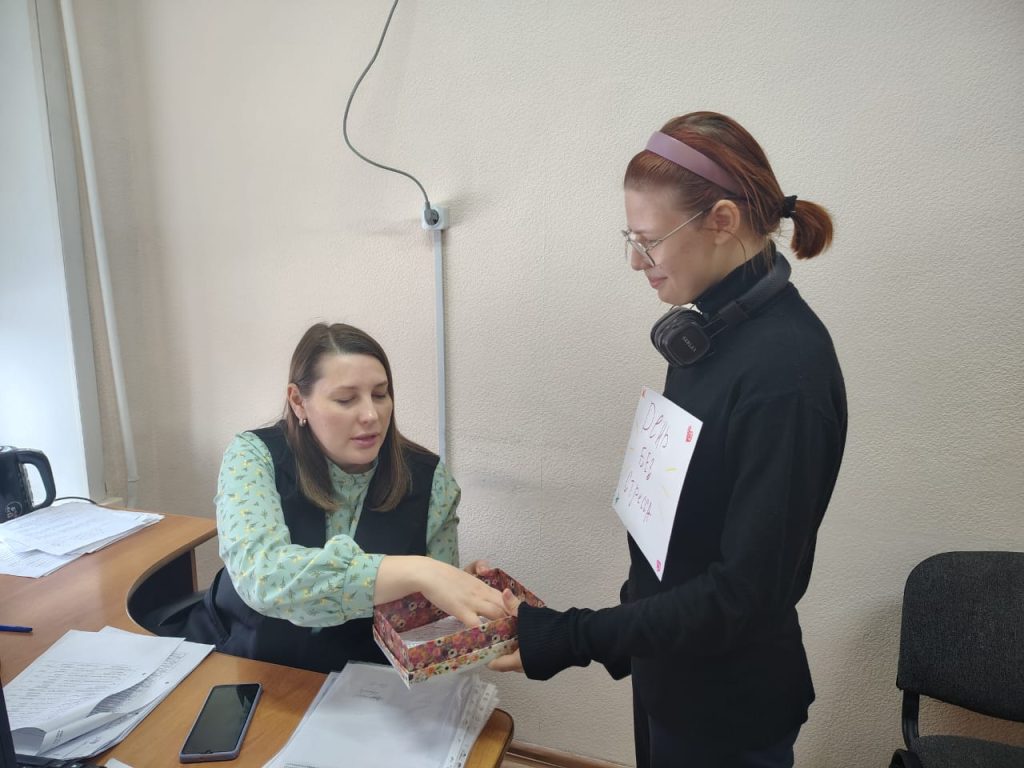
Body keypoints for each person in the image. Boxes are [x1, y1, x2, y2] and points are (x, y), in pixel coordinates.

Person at [489, 112, 848, 768]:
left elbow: (741, 596)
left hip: (727, 712)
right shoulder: (707, 335)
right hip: (670, 674)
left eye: (648, 240)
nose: (635, 260)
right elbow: (675, 538)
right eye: (629, 238)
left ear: (722, 221)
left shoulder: (785, 376)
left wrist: (571, 636)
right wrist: (609, 632)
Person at [182, 322, 504, 673]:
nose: (371, 415)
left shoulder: (430, 479)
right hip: (243, 659)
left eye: (380, 395)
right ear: (298, 401)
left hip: (355, 681)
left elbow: (425, 625)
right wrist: (418, 570)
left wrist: (459, 597)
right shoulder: (252, 456)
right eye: (346, 400)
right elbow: (263, 576)